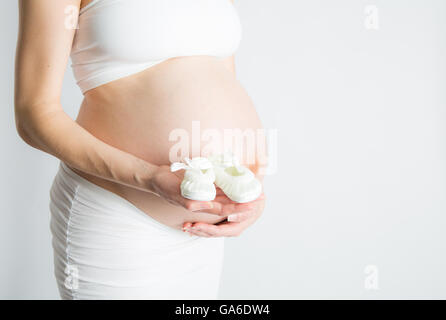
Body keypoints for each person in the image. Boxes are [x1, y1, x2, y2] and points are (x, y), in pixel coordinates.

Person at [14, 0, 266, 299]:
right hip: (118, 222)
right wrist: (148, 177)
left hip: (200, 231)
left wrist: (247, 196)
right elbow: (35, 114)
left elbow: (219, 82)